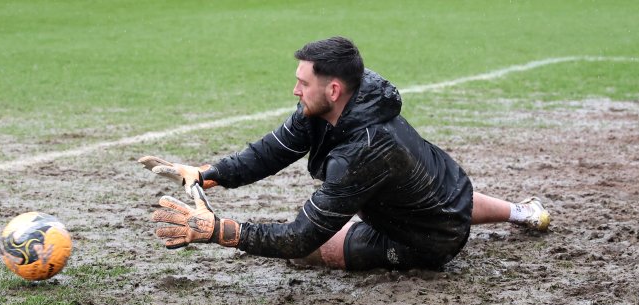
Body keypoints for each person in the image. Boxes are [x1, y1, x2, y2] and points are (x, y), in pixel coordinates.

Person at [139, 36, 549, 271]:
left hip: (426, 240)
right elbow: (272, 151)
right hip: (447, 188)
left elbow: (301, 237)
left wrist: (220, 231)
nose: (295, 90)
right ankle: (519, 211)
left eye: (303, 82)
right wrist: (207, 173)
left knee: (311, 255)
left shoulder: (363, 152)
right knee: (428, 197)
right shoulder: (347, 96)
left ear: (332, 89)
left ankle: (486, 224)